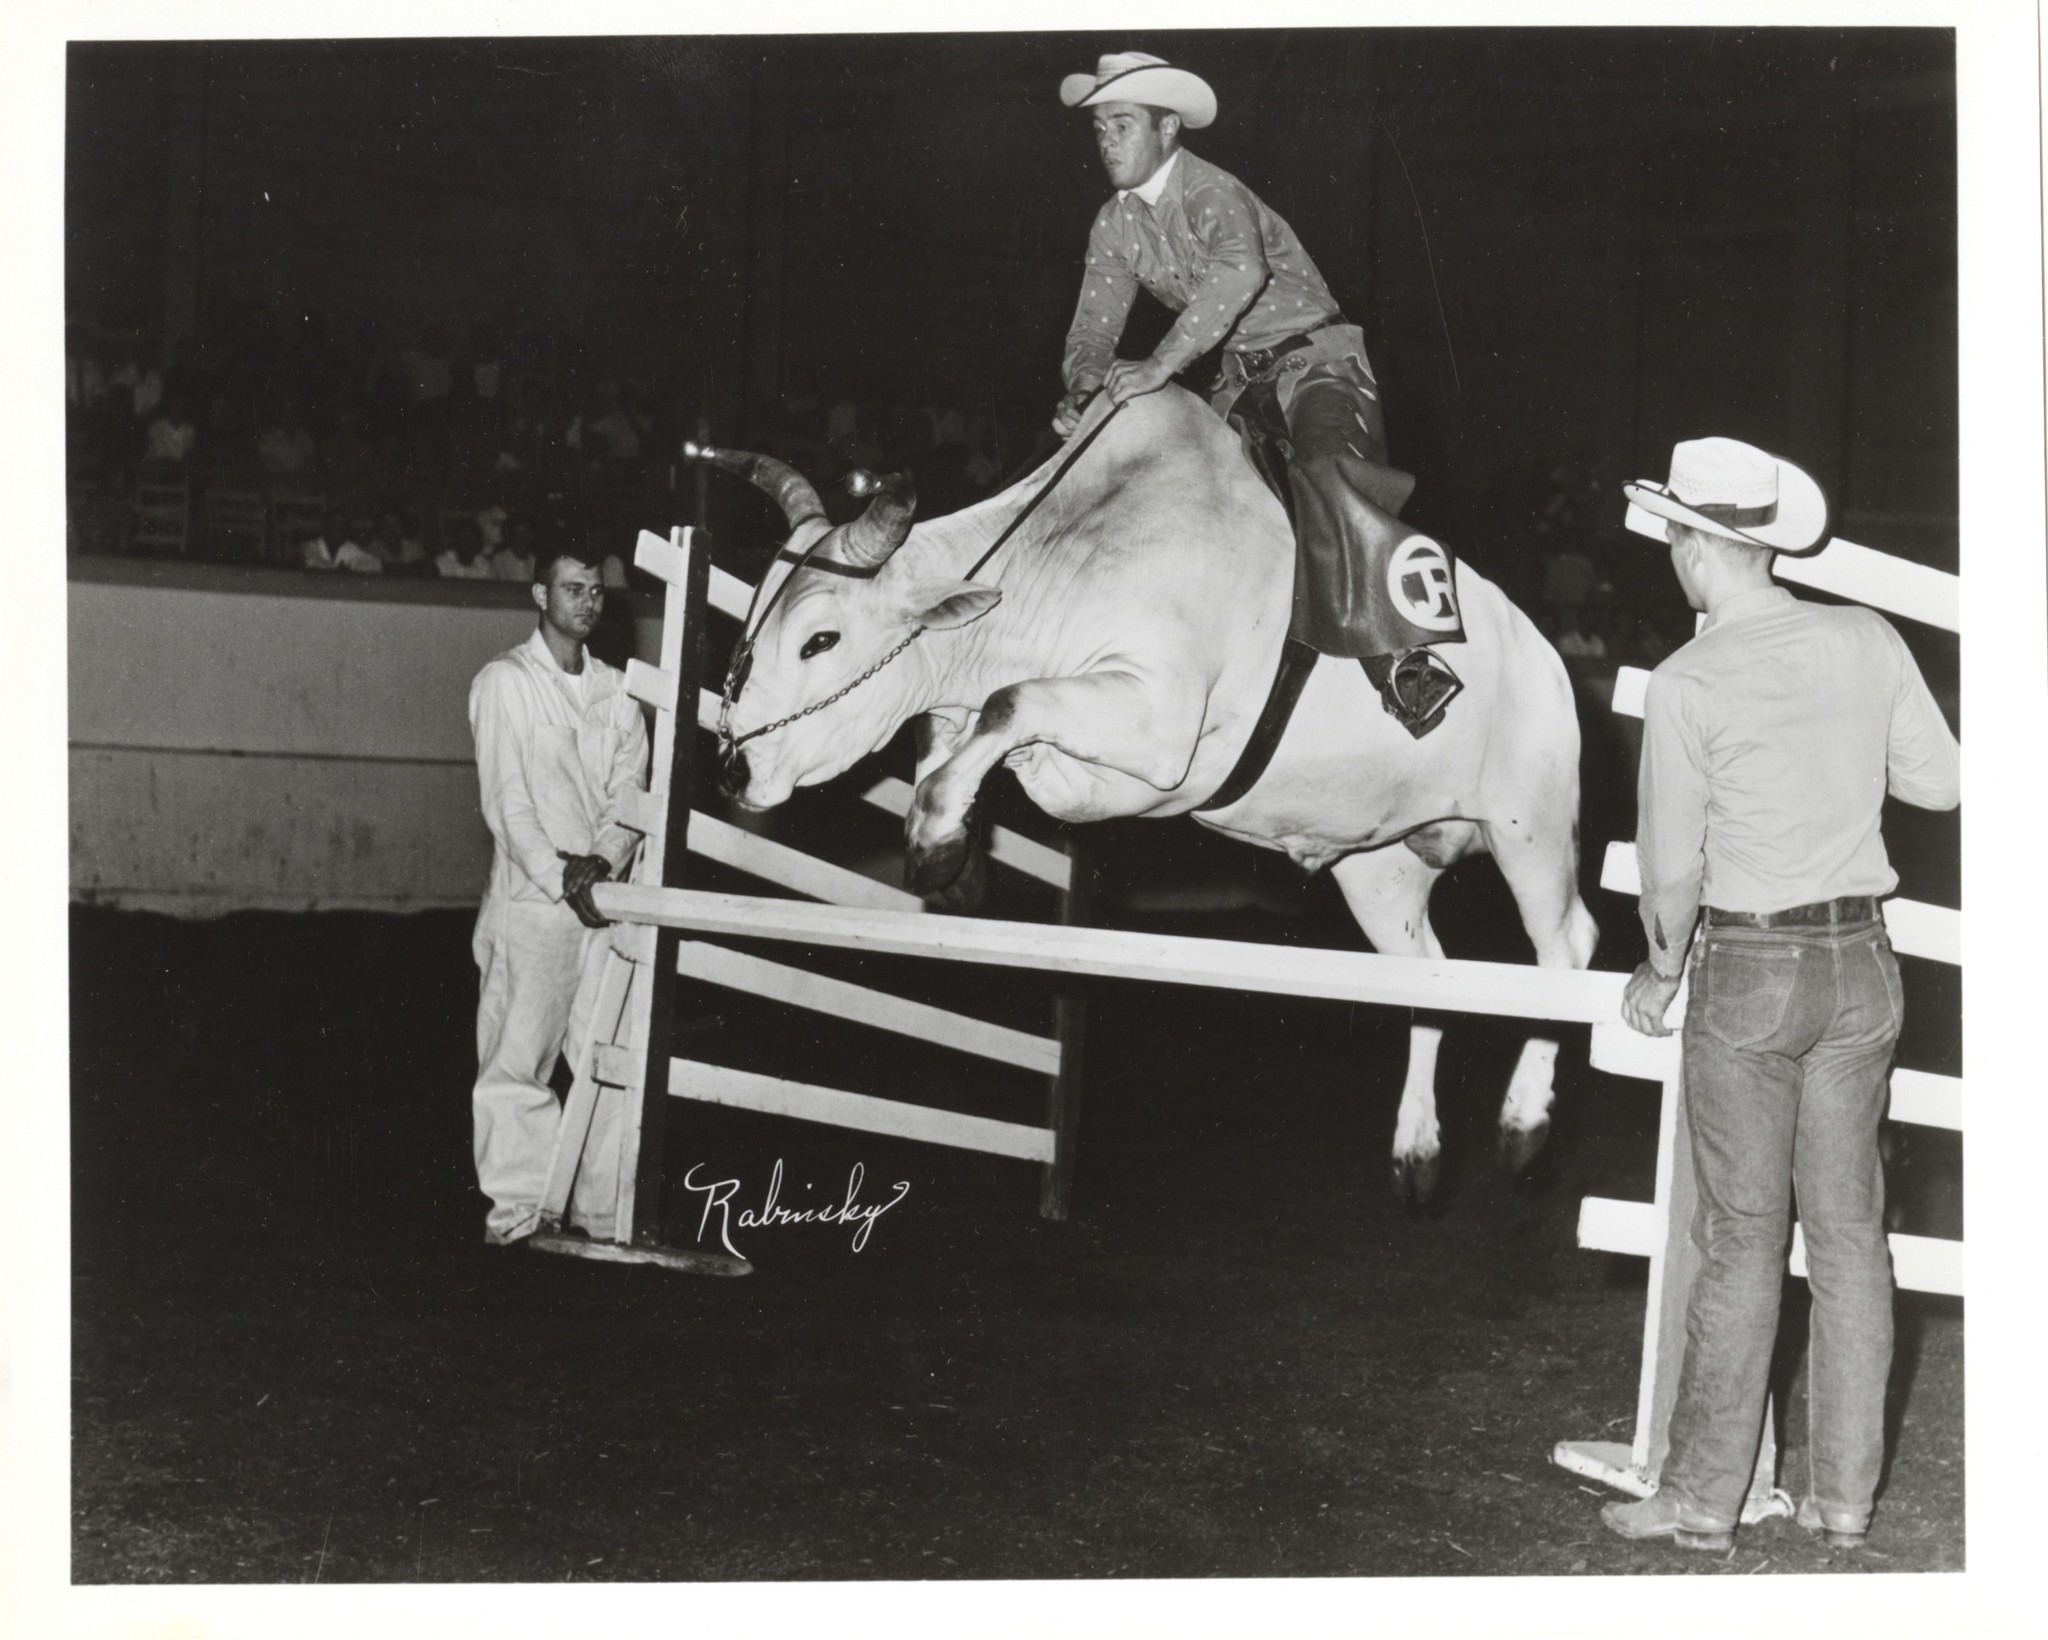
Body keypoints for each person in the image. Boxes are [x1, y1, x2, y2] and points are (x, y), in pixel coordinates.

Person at [1606, 437, 1960, 1552]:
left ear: (1701, 546)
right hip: (1861, 963)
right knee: (1852, 1235)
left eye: (1675, 535)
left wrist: (1659, 972)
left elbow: (1670, 869)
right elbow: (1939, 783)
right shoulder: (1862, 634)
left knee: (1743, 1237)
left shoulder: (1687, 680)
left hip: (1752, 972)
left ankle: (1702, 1499)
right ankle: (1845, 1500)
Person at [1051, 51, 1465, 736]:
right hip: (1241, 382)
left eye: (1121, 124)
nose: (1106, 142)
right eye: (1099, 129)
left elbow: (1236, 278)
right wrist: (1085, 389)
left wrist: (1158, 365)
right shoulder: (1114, 223)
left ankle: (1407, 663)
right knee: (1173, 488)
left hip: (1318, 363)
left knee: (1330, 476)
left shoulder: (1214, 193)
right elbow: (1093, 327)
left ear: (1168, 129)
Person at [465, 549, 649, 1246]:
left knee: (608, 1053)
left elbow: (630, 793)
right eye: (573, 589)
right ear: (540, 593)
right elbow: (506, 803)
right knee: (518, 1059)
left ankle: (601, 1214)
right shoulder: (505, 682)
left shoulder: (619, 692)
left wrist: (601, 864)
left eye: (597, 591)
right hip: (533, 905)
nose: (588, 602)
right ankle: (518, 1214)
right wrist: (560, 876)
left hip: (602, 900)